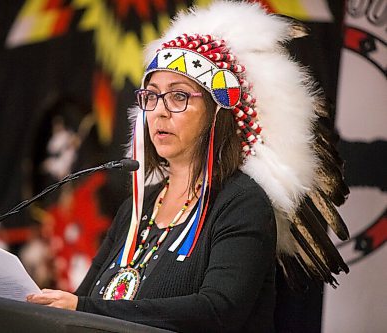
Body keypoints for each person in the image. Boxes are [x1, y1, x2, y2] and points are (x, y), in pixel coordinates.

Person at [26, 1, 349, 332]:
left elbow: (218, 310)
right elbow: (84, 303)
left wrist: (84, 307)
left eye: (179, 97)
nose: (159, 112)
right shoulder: (137, 208)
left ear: (215, 113)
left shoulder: (242, 202)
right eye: (151, 96)